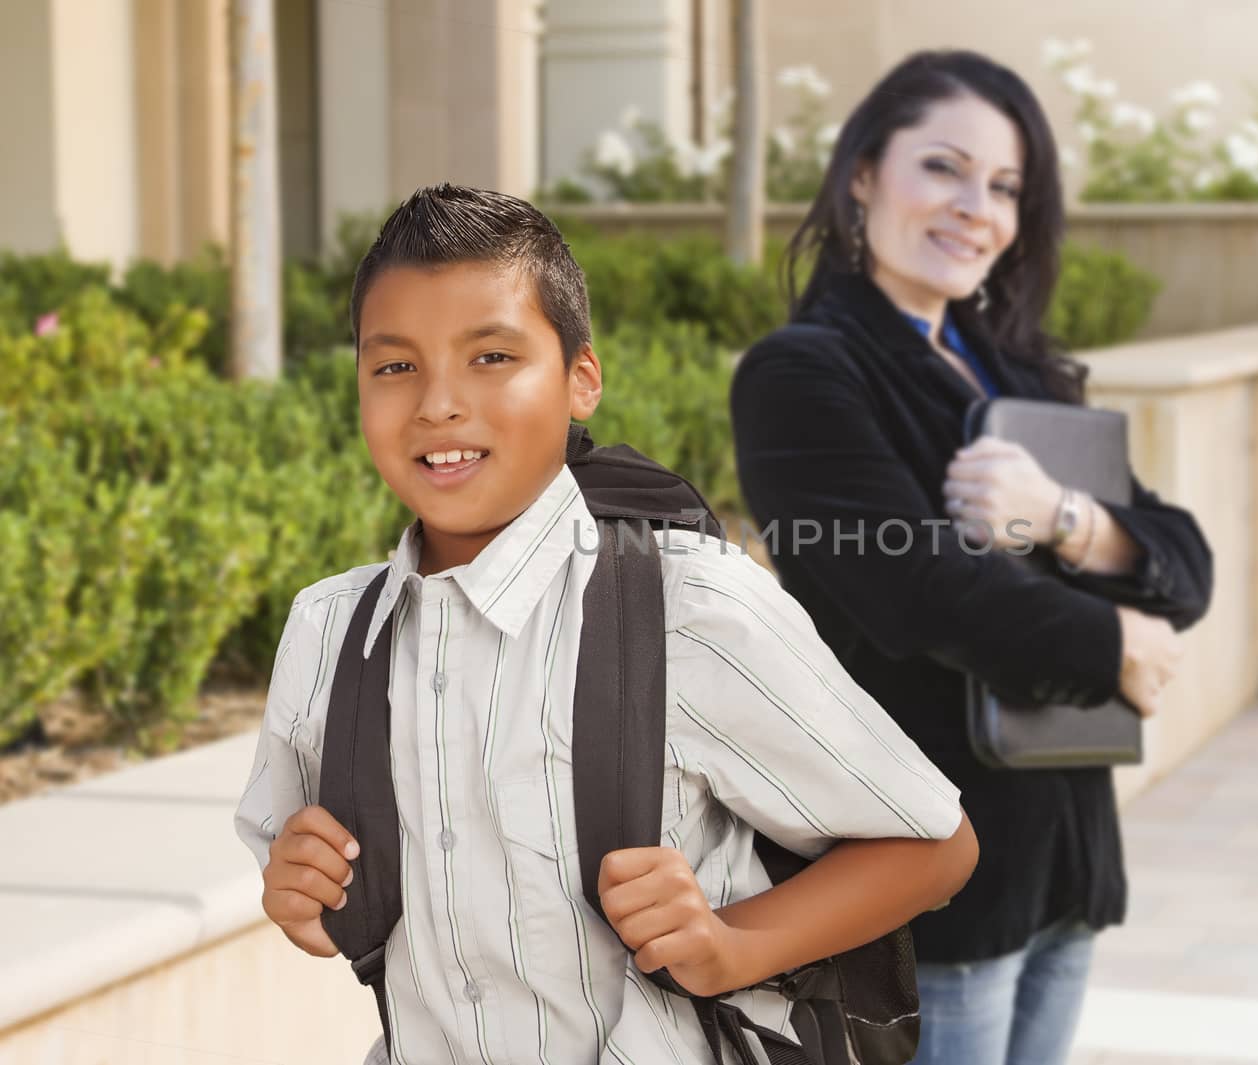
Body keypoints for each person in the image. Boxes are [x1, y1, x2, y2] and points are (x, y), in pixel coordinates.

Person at [233, 184, 978, 1065]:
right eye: (394, 365)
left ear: (581, 378)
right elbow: (318, 902)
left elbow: (934, 843)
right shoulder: (329, 633)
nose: (437, 402)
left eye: (492, 356)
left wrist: (735, 944)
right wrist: (296, 892)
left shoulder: (688, 609)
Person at [730, 51, 1213, 1065]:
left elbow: (1184, 559)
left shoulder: (1018, 369)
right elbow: (915, 593)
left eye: (1004, 188)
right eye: (942, 169)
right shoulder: (803, 373)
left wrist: (1066, 516)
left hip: (1063, 855)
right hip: (934, 875)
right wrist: (1114, 637)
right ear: (863, 174)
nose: (975, 210)